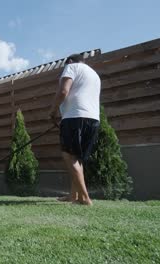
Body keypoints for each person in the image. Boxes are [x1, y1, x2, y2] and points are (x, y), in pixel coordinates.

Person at [48, 53, 101, 205]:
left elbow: (63, 91)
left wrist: (52, 111)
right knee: (77, 158)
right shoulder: (94, 74)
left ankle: (84, 198)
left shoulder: (71, 67)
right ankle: (74, 195)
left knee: (69, 156)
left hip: (74, 118)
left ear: (70, 61)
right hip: (93, 119)